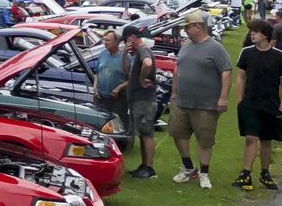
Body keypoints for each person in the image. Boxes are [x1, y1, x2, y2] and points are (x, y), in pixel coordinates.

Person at [168, 11, 232, 189]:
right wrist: (174, 92)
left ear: (198, 27)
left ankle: (204, 173)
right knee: (177, 133)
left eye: (187, 27)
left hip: (205, 104)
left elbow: (226, 72)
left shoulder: (215, 48)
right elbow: (177, 69)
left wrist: (223, 98)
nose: (185, 31)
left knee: (204, 139)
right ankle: (189, 168)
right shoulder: (186, 45)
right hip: (182, 101)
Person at [232, 19, 282, 190]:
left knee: (266, 139)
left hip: (271, 103)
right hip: (250, 102)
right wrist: (239, 99)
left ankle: (265, 173)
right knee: (251, 138)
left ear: (265, 35)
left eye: (256, 32)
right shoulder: (246, 53)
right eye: (251, 31)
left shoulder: (279, 55)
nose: (252, 34)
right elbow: (241, 76)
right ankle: (246, 173)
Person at [123, 27, 160, 178]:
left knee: (146, 133)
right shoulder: (135, 53)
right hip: (137, 100)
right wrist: (125, 53)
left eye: (126, 40)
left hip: (144, 99)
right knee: (141, 134)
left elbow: (148, 63)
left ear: (132, 37)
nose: (126, 43)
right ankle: (144, 165)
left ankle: (150, 168)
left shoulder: (143, 50)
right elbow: (126, 71)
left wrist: (141, 78)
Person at [91, 30, 130, 164]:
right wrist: (95, 87)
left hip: (117, 97)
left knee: (118, 124)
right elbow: (96, 73)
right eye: (104, 40)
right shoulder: (102, 54)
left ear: (116, 42)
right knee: (100, 123)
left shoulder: (125, 57)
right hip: (101, 96)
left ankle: (120, 151)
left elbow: (131, 79)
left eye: (108, 40)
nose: (105, 42)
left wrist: (119, 88)